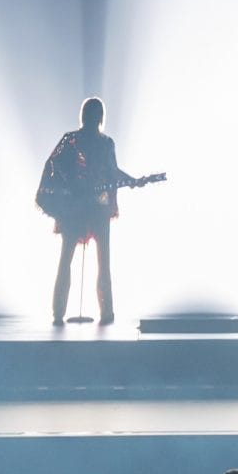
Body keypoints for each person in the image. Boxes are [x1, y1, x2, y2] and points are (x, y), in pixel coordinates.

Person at [35, 97, 153, 326]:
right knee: (90, 261)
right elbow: (56, 167)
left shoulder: (88, 142)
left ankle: (65, 313)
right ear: (99, 117)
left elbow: (111, 172)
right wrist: (70, 188)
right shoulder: (84, 142)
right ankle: (101, 314)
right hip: (85, 208)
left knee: (75, 260)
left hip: (86, 209)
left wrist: (132, 181)